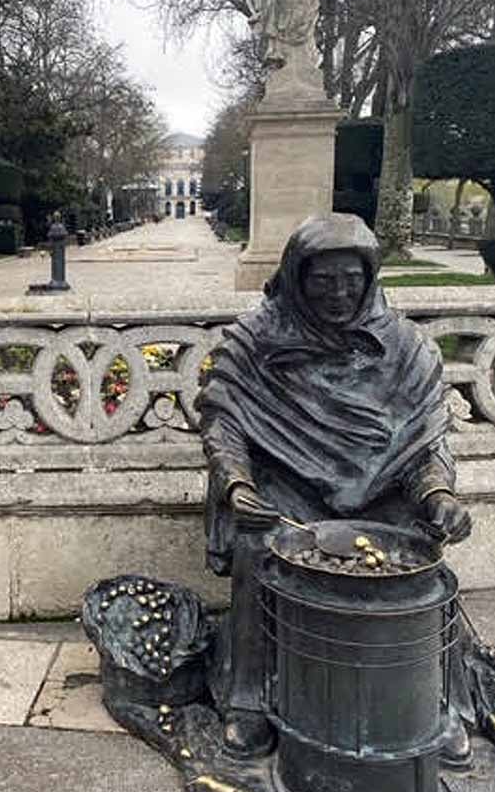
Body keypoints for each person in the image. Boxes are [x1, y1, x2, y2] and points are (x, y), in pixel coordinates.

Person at [196, 213, 472, 756]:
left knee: (421, 553)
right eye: (322, 281)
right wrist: (235, 485)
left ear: (371, 279)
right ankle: (249, 700)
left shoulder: (408, 349)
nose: (338, 294)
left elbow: (424, 446)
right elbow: (222, 422)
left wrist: (439, 496)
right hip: (288, 493)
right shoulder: (254, 341)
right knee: (259, 547)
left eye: (351, 280)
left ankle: (439, 701)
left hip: (380, 497)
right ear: (297, 278)